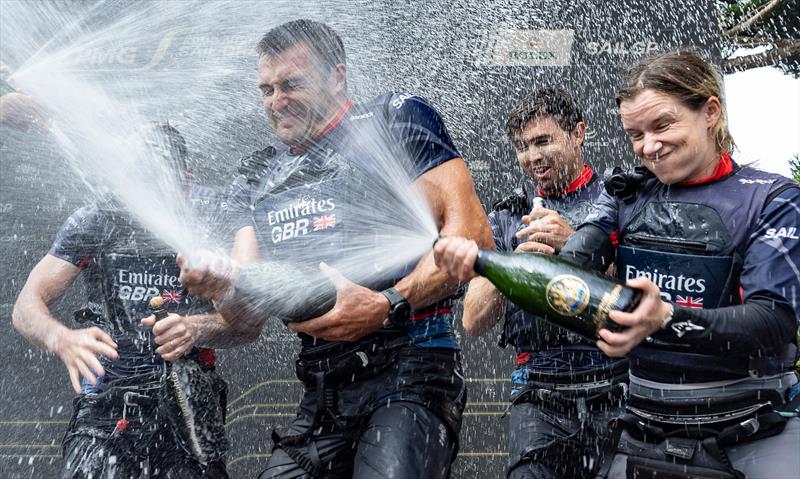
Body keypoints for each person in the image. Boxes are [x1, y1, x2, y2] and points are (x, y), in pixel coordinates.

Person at [433, 50, 799, 478]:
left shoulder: (772, 198)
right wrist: (484, 261)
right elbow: (568, 273)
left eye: (662, 125)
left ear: (711, 112)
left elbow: (773, 323)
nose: (649, 147)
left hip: (753, 423)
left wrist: (665, 317)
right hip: (645, 428)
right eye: (635, 134)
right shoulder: (625, 194)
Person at [178, 19, 492, 478]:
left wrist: (388, 304)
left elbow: (474, 234)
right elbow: (243, 317)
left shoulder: (394, 117)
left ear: (337, 76)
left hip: (410, 372)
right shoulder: (257, 174)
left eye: (291, 84)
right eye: (266, 89)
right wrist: (219, 287)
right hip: (322, 393)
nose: (276, 101)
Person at [12, 123, 231, 478]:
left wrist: (196, 328)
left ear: (186, 178)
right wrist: (62, 338)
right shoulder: (96, 221)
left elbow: (244, 325)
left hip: (189, 403)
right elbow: (25, 307)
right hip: (106, 403)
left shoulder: (210, 218)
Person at [463, 86, 627, 478]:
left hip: (619, 384)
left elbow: (646, 293)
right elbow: (472, 321)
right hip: (538, 390)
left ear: (578, 133)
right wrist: (515, 266)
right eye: (522, 147)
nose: (532, 157)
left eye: (543, 141)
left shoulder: (620, 198)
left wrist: (574, 246)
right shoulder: (507, 216)